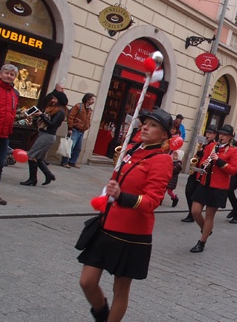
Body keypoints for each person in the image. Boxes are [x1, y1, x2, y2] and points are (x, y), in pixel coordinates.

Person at [78, 108, 173, 322]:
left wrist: (122, 197)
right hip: (107, 223)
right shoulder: (131, 150)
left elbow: (153, 201)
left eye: (153, 125)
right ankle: (102, 315)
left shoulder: (162, 160)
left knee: (120, 289)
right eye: (145, 123)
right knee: (87, 281)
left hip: (132, 233)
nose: (146, 127)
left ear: (164, 134)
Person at [189, 124, 237, 253]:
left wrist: (219, 161)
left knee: (210, 215)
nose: (221, 136)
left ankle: (202, 242)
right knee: (195, 211)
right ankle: (206, 229)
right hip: (205, 183)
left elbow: (233, 170)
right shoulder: (211, 146)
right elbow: (202, 161)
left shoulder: (233, 150)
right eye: (220, 134)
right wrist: (204, 164)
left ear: (230, 137)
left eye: (225, 135)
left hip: (218, 187)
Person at [20, 90, 68, 186]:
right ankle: (48, 175)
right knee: (38, 157)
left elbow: (53, 125)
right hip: (43, 133)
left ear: (60, 100)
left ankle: (33, 179)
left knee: (31, 155)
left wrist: (41, 115)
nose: (53, 100)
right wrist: (36, 117)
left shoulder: (61, 112)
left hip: (48, 135)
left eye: (55, 99)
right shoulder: (52, 108)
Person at [0, 64, 20, 205]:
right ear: (1, 74)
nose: (9, 76)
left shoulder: (15, 93)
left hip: (4, 136)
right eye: (7, 73)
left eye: (12, 74)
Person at [181, 125, 218, 223]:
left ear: (214, 135)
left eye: (210, 133)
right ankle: (191, 212)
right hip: (195, 170)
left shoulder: (214, 145)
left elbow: (210, 158)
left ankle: (192, 214)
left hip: (201, 173)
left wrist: (203, 158)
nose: (208, 135)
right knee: (188, 191)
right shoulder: (204, 144)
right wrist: (198, 154)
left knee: (193, 193)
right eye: (207, 133)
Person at [61, 93, 95, 168]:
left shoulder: (89, 110)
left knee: (78, 148)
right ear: (87, 99)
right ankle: (64, 161)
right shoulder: (78, 106)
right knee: (70, 146)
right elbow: (71, 116)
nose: (93, 101)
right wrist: (70, 128)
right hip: (75, 129)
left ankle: (72, 162)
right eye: (92, 99)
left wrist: (88, 125)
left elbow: (87, 119)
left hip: (81, 130)